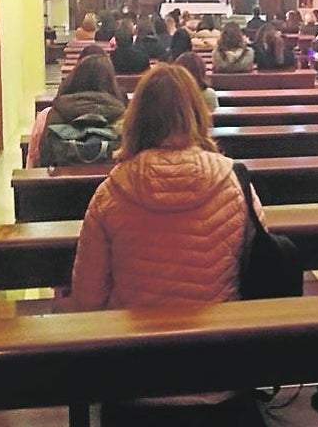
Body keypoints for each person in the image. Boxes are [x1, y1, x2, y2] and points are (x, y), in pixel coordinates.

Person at [67, 65, 264, 421]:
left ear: (136, 119)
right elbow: (258, 267)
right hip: (220, 376)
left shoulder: (111, 192)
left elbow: (87, 300)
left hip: (134, 381)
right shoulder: (234, 181)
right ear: (196, 114)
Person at [26, 53, 126, 168]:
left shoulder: (47, 115)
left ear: (73, 79)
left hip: (57, 185)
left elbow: (34, 161)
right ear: (111, 83)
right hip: (110, 184)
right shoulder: (125, 118)